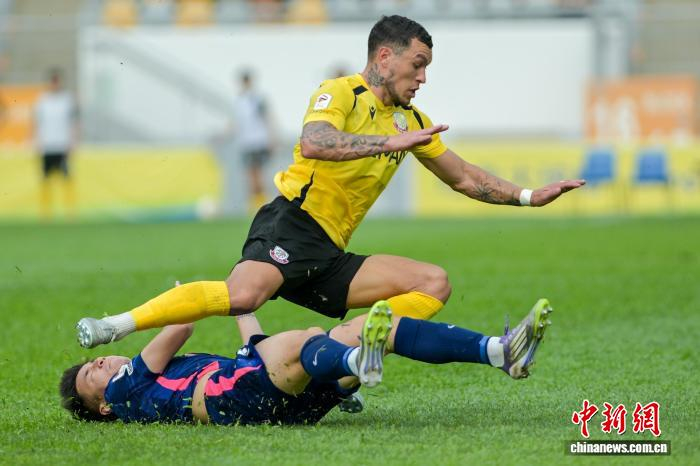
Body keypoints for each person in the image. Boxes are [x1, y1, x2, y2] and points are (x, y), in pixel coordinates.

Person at [75, 15, 583, 349]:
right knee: (245, 297)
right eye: (417, 65)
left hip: (330, 252)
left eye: (426, 69)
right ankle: (115, 325)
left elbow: (465, 177)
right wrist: (389, 143)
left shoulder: (412, 121)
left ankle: (351, 350)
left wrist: (527, 197)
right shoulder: (341, 92)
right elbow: (316, 141)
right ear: (384, 58)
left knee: (433, 283)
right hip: (292, 223)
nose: (423, 78)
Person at [62, 298, 553, 425]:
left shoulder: (166, 380)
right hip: (235, 402)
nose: (101, 363)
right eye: (92, 373)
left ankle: (500, 352)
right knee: (307, 340)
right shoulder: (126, 391)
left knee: (367, 326)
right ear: (102, 405)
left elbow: (252, 350)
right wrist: (181, 299)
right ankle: (355, 362)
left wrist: (241, 302)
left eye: (96, 361)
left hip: (270, 401)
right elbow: (181, 325)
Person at [34, 67, 79, 220]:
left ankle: (70, 212)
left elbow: (73, 122)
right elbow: (37, 123)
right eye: (52, 81)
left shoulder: (67, 100)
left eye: (57, 81)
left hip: (63, 145)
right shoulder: (42, 100)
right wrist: (37, 142)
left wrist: (73, 142)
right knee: (45, 180)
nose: (54, 84)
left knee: (67, 179)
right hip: (47, 145)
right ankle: (46, 213)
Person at [229, 69, 276, 213]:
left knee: (258, 174)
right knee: (251, 175)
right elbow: (236, 123)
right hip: (246, 143)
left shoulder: (257, 99)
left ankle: (263, 204)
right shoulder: (239, 101)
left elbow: (268, 119)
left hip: (258, 141)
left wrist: (271, 138)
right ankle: (255, 205)